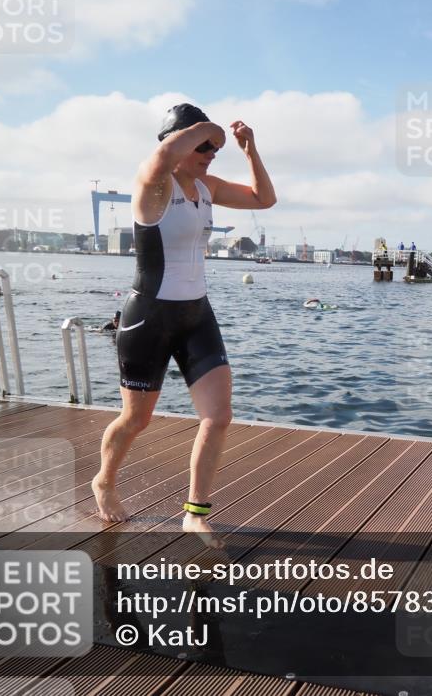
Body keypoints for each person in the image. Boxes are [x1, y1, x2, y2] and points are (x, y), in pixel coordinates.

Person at [92, 103, 276, 546]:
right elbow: (162, 155)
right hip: (149, 318)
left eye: (215, 147)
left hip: (196, 315)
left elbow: (263, 199)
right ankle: (104, 480)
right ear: (179, 142)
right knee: (137, 420)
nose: (212, 151)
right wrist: (209, 128)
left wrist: (250, 150)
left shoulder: (207, 186)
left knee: (218, 415)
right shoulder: (154, 183)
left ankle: (195, 513)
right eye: (204, 145)